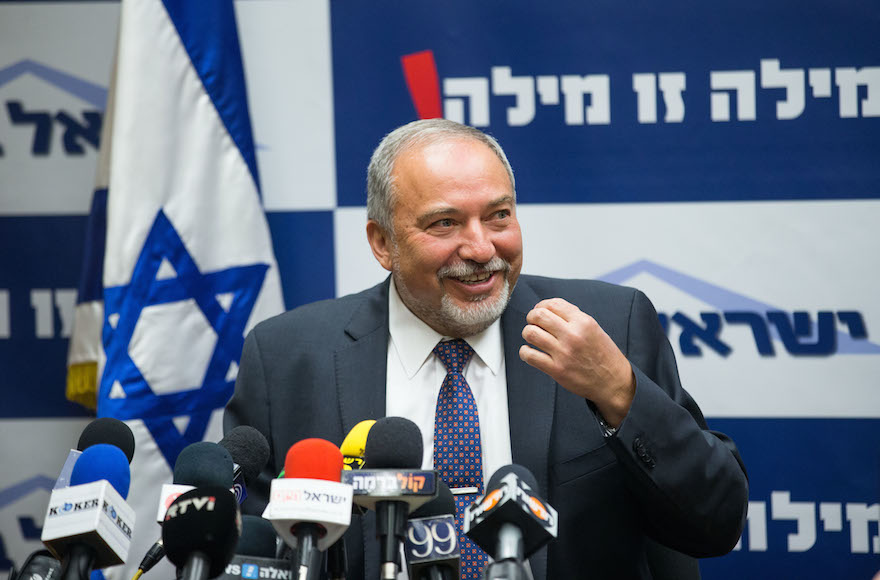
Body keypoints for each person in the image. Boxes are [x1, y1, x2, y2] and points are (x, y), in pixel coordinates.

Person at [224, 119, 748, 580]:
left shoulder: (609, 325)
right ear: (382, 243)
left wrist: (619, 392)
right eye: (444, 223)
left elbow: (716, 522)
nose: (481, 249)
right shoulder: (287, 359)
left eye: (498, 216)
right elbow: (255, 551)